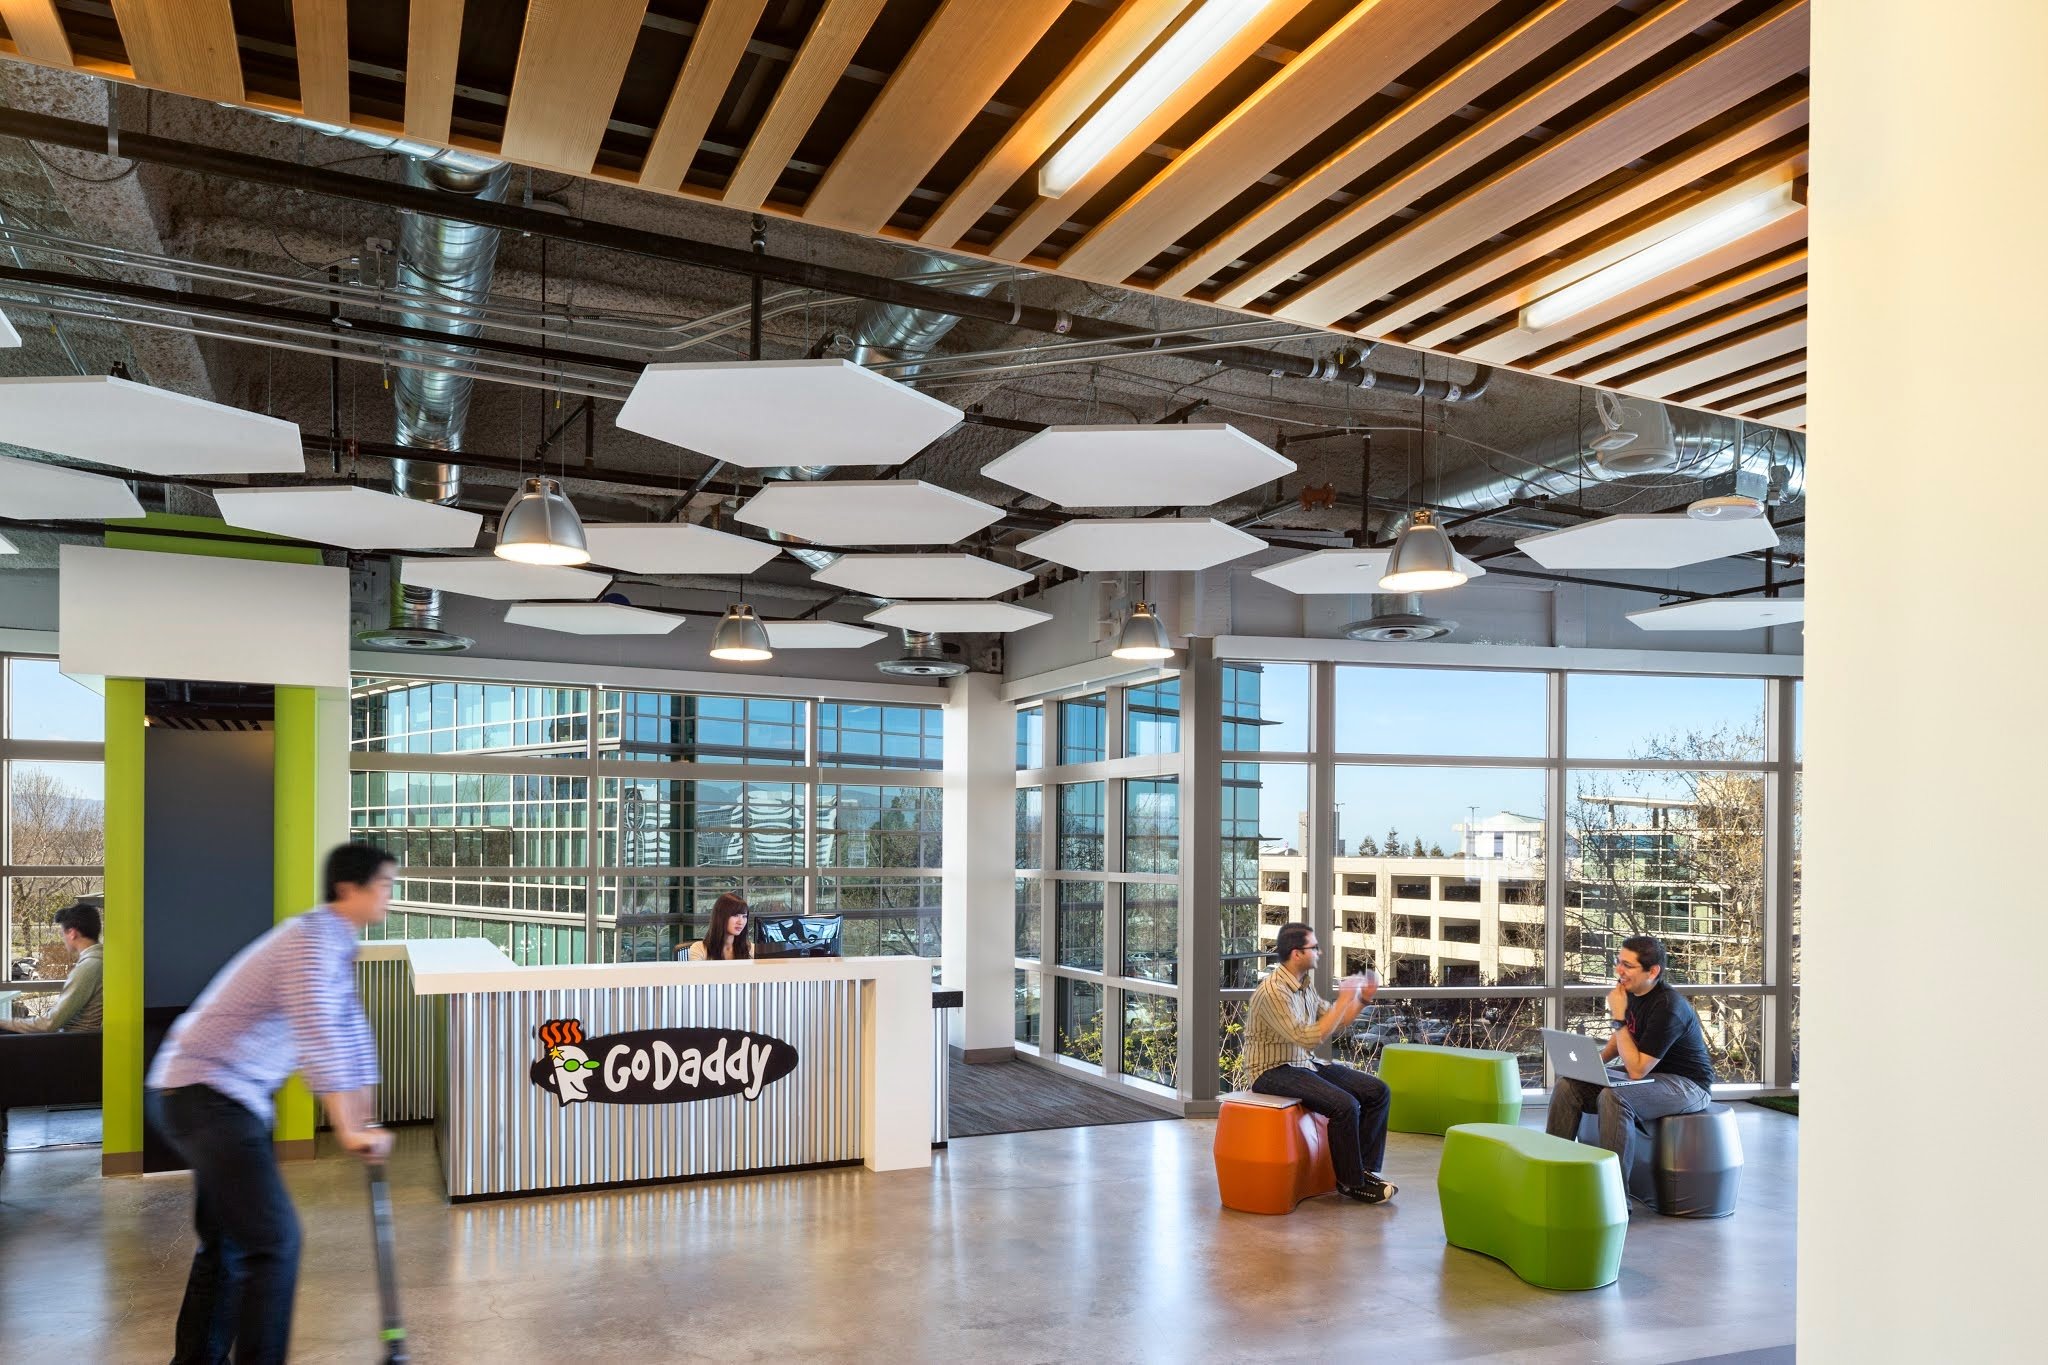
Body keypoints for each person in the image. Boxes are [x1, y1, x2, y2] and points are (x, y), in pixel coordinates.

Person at [145, 842, 397, 1365]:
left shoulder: (336, 945)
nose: (389, 896)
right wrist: (348, 1128)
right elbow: (318, 1034)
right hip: (206, 1094)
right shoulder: (309, 941)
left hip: (214, 1098)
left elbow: (352, 1040)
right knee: (274, 1242)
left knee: (229, 1243)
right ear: (348, 888)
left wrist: (366, 1118)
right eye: (384, 884)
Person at [1243, 922, 1397, 1204]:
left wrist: (1361, 998)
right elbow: (1307, 1037)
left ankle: (1363, 1171)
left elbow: (1337, 1021)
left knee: (1377, 1092)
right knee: (1344, 1105)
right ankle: (1350, 1183)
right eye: (1314, 947)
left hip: (1304, 1063)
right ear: (1297, 953)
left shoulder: (1304, 986)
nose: (1319, 952)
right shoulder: (1274, 992)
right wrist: (1343, 1001)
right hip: (1271, 1071)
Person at [1546, 934, 1716, 1179]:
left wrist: (1618, 1018)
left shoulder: (1668, 1007)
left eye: (1627, 965)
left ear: (1653, 971)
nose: (1619, 970)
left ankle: (1613, 1191)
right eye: (1619, 962)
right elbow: (1621, 1040)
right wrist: (1591, 1066)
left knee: (1615, 1097)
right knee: (1568, 1085)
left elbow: (1636, 1070)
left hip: (1687, 1085)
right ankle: (1553, 1172)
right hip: (1652, 1077)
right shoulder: (1632, 994)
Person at [0, 899, 104, 1033]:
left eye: (62, 933)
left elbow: (48, 1024)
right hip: (77, 1037)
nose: (63, 939)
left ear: (72, 933)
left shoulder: (88, 968)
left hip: (71, 1040)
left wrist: (3, 1022)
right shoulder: (101, 961)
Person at [686, 893, 752, 961]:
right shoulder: (699, 949)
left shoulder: (751, 949)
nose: (741, 922)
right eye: (735, 915)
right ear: (721, 917)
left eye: (744, 916)